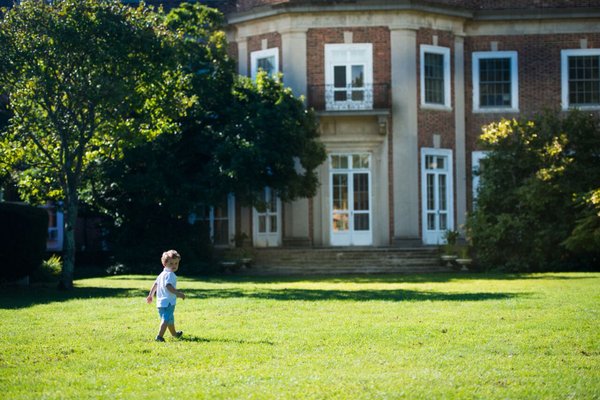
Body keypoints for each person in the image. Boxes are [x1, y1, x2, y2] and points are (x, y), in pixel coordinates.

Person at [146, 250, 185, 342]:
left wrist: (150, 295)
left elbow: (155, 284)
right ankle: (159, 336)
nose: (174, 265)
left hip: (160, 303)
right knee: (166, 319)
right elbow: (168, 286)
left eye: (176, 263)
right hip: (168, 302)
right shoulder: (170, 274)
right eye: (171, 263)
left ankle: (174, 334)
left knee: (170, 319)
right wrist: (178, 293)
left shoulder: (161, 274)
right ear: (164, 263)